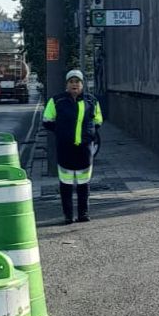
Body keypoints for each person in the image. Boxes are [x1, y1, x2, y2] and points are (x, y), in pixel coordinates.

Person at [43, 69, 103, 224]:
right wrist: (62, 132)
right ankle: (68, 216)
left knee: (84, 183)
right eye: (71, 82)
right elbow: (47, 120)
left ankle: (83, 213)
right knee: (66, 184)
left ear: (82, 84)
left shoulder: (92, 101)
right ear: (66, 84)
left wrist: (88, 134)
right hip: (65, 149)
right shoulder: (57, 101)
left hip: (84, 149)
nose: (74, 84)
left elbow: (98, 121)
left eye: (77, 81)